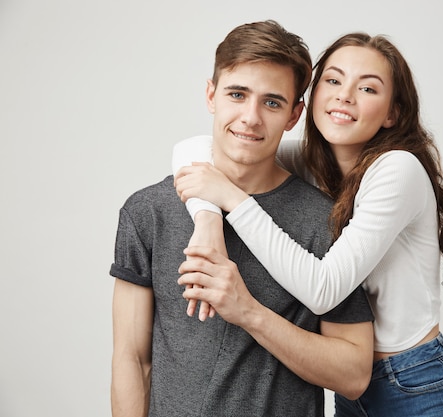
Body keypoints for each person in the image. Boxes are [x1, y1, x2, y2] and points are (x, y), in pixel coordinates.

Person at [173, 32, 443, 416]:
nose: (345, 95)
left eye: (367, 88)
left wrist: (234, 201)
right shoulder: (313, 162)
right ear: (310, 100)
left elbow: (324, 290)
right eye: (333, 80)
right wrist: (207, 222)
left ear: (392, 114)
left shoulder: (397, 169)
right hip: (351, 390)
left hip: (418, 384)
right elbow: (196, 150)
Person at [110, 20, 375, 417]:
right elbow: (132, 360)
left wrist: (248, 311)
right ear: (211, 95)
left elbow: (353, 375)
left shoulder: (325, 220)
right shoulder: (149, 212)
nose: (251, 118)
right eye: (237, 94)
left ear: (294, 114)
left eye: (271, 102)